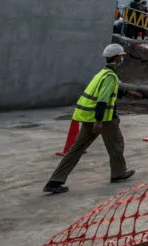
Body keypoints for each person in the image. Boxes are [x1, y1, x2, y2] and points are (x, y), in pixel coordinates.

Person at [44, 44, 140, 194]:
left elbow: (110, 92)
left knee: (76, 149)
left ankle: (55, 181)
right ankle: (118, 173)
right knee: (116, 145)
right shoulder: (110, 77)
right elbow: (102, 99)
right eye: (121, 57)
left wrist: (127, 92)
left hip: (89, 117)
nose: (122, 59)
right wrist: (99, 120)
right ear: (116, 58)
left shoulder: (102, 73)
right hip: (104, 119)